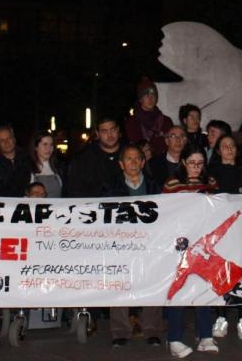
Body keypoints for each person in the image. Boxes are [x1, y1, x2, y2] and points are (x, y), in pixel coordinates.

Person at [101, 145, 163, 349]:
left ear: (143, 162)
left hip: (150, 244)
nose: (134, 162)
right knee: (119, 285)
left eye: (137, 158)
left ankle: (152, 330)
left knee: (152, 285)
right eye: (129, 159)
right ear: (121, 164)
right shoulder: (110, 188)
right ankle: (120, 331)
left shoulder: (156, 187)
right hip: (121, 244)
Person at [163, 145, 219, 357]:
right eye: (192, 163)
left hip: (204, 243)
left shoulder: (211, 182)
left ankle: (205, 335)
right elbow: (168, 211)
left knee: (204, 288)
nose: (196, 167)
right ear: (184, 162)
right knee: (178, 289)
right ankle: (174, 338)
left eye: (200, 163)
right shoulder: (172, 182)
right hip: (180, 243)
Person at [207, 133, 242, 341]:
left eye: (232, 146)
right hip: (219, 233)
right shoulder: (210, 173)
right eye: (224, 146)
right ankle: (221, 317)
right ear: (218, 151)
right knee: (221, 273)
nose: (229, 149)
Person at [62, 118, 123, 198]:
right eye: (104, 131)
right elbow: (74, 192)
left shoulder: (131, 155)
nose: (110, 135)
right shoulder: (84, 159)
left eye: (113, 129)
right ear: (97, 134)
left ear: (118, 130)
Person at [125, 78, 174, 159]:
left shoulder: (166, 121)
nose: (150, 98)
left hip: (164, 163)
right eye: (146, 95)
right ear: (140, 99)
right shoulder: (132, 122)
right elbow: (137, 147)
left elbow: (171, 144)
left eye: (153, 95)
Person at [0, 125, 32, 197]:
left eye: (9, 138)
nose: (6, 142)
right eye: (2, 140)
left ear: (14, 139)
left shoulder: (28, 159)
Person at [28, 131, 63, 198]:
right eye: (45, 144)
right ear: (36, 147)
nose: (49, 148)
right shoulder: (27, 169)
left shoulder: (60, 168)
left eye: (51, 145)